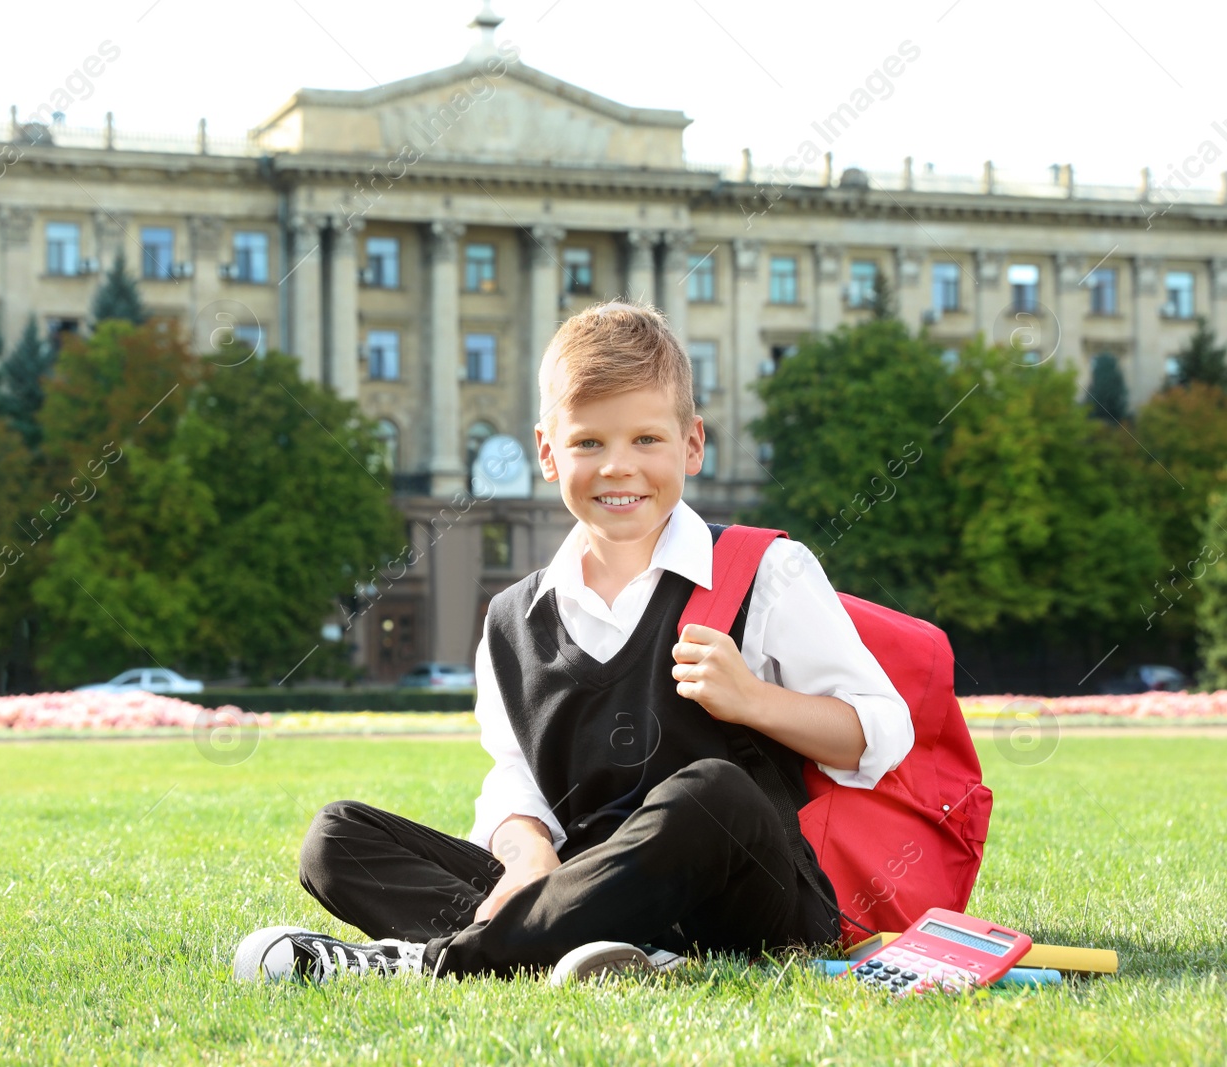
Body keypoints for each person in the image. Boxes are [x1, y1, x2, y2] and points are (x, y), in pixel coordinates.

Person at [235, 301, 913, 984]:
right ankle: (589, 948)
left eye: (647, 439)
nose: (619, 467)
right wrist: (527, 848)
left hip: (746, 902)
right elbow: (514, 778)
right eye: (589, 443)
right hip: (585, 880)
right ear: (548, 452)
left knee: (713, 793)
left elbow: (882, 731)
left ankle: (444, 961)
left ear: (693, 443)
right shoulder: (511, 619)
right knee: (337, 836)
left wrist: (755, 699)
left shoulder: (762, 572)